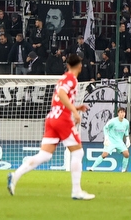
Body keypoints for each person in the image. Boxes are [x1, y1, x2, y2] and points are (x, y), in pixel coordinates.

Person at [7, 54, 94, 200]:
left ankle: (15, 176)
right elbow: (61, 94)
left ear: (67, 65)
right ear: (80, 66)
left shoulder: (62, 78)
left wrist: (76, 107)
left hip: (52, 118)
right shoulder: (72, 79)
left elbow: (60, 97)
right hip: (62, 120)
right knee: (78, 153)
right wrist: (74, 112)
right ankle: (76, 191)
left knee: (45, 155)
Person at [88, 107, 130, 172]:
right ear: (118, 113)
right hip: (111, 141)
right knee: (104, 154)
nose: (123, 114)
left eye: (124, 112)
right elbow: (105, 128)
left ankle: (123, 170)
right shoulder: (113, 121)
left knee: (126, 154)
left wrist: (127, 138)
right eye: (121, 112)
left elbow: (126, 130)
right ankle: (92, 168)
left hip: (119, 141)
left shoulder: (126, 122)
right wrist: (106, 138)